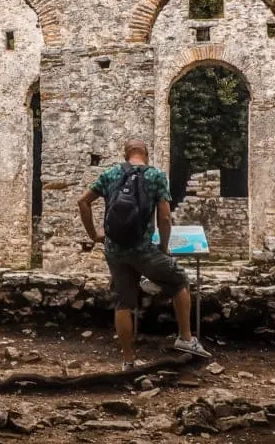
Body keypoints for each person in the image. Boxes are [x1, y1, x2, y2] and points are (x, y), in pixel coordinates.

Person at [77, 138, 211, 369]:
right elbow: (165, 217)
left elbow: (82, 201)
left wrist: (94, 235)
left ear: (126, 153)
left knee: (123, 303)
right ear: (146, 155)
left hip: (114, 250)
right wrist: (164, 248)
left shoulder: (110, 174)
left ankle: (128, 360)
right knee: (179, 280)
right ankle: (186, 338)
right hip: (143, 249)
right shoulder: (155, 176)